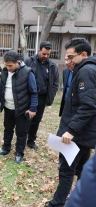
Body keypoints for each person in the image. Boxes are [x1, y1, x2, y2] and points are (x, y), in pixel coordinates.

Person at [45, 38, 96, 207]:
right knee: (82, 170)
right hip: (85, 133)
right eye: (66, 58)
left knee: (67, 171)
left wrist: (70, 130)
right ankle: (82, 201)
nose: (67, 62)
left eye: (70, 57)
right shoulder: (85, 69)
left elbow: (88, 105)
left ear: (83, 54)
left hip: (77, 135)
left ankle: (57, 204)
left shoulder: (86, 71)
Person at [0, 51, 38, 164]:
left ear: (17, 62)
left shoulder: (28, 72)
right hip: (8, 107)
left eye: (10, 65)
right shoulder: (4, 72)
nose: (8, 68)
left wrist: (33, 109)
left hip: (22, 109)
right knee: (7, 129)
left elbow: (33, 92)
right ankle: (6, 148)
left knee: (21, 132)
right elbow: (0, 90)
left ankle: (19, 153)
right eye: (6, 65)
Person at [24, 41, 59, 150]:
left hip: (42, 98)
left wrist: (51, 95)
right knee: (26, 119)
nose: (46, 56)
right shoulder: (29, 61)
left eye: (48, 54)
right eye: (44, 53)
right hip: (29, 96)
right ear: (39, 50)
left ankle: (31, 141)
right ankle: (22, 139)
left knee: (36, 120)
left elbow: (55, 83)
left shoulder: (52, 65)